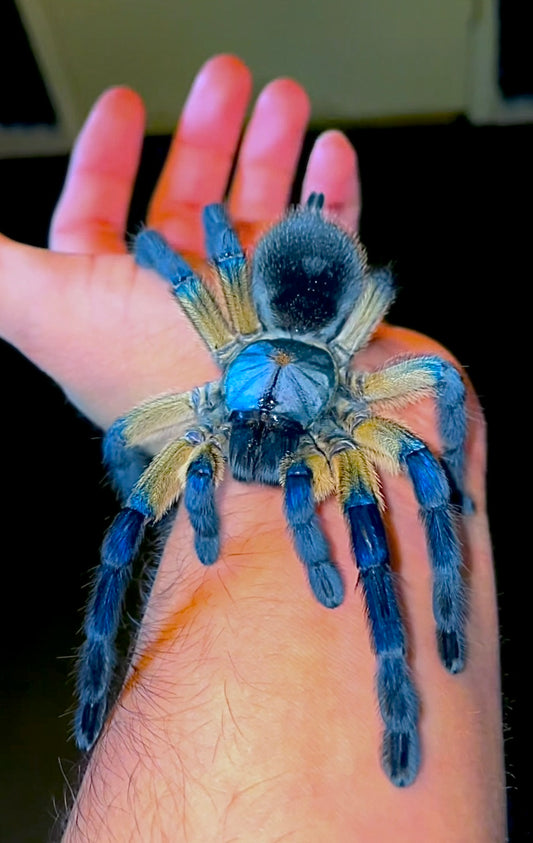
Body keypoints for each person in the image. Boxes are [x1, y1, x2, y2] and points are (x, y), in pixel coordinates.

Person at [0, 55, 505, 841]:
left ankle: (400, 695)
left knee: (404, 490)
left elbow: (426, 366)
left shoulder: (345, 392)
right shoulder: (216, 352)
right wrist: (157, 263)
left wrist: (449, 478)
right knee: (128, 522)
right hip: (243, 381)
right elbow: (188, 266)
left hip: (324, 377)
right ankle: (94, 685)